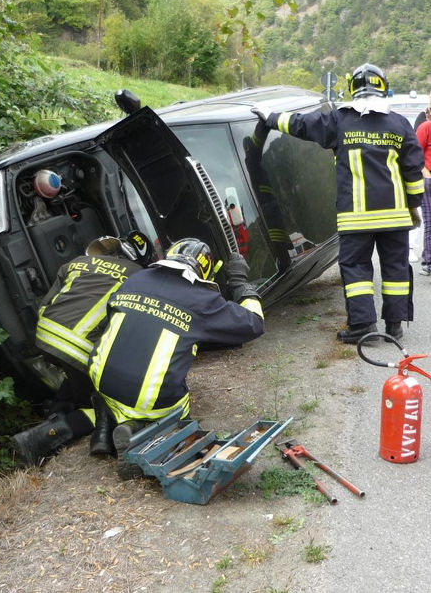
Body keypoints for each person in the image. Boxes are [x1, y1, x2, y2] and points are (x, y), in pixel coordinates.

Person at [252, 63, 425, 343]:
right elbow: (413, 171)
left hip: (355, 219)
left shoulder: (339, 120)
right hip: (395, 218)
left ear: (353, 89)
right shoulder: (399, 124)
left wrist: (270, 117)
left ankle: (364, 326)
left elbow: (301, 125)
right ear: (384, 87)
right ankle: (394, 326)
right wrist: (413, 205)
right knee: (395, 269)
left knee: (356, 269)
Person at [87, 238, 265, 479]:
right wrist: (240, 281)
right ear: (204, 271)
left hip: (102, 379)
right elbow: (253, 323)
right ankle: (149, 439)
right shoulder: (203, 300)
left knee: (129, 385)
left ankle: (115, 426)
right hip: (150, 397)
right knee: (178, 408)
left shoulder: (136, 279)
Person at [12, 231, 154, 466]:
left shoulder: (76, 262)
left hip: (46, 334)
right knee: (108, 408)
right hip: (80, 347)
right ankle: (39, 439)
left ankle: (56, 411)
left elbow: (46, 302)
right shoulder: (138, 277)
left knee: (76, 381)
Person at [417, 106, 431, 276]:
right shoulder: (425, 127)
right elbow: (414, 153)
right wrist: (425, 173)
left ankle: (427, 258)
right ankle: (428, 262)